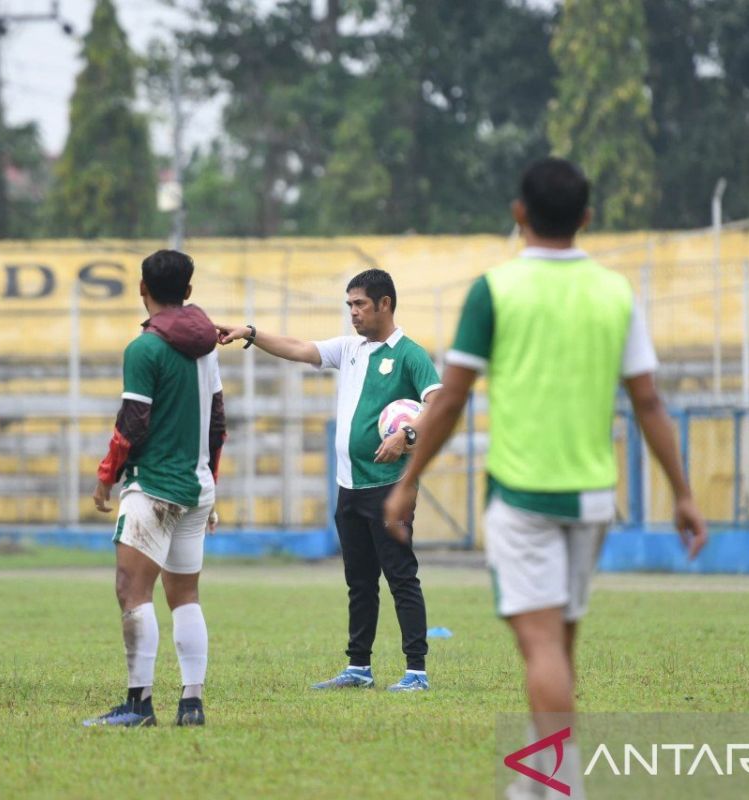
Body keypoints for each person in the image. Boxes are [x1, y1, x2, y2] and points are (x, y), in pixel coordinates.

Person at [383, 158, 708, 797]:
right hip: (592, 500)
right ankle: (539, 782)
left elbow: (448, 400)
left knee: (543, 650)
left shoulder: (495, 291)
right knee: (559, 643)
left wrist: (409, 476)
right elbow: (648, 402)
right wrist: (685, 493)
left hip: (523, 496)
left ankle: (559, 784)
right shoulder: (615, 293)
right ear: (587, 218)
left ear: (519, 214)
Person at [217, 269, 441, 692]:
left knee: (400, 576)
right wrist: (250, 332)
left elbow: (437, 402)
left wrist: (406, 433)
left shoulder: (410, 354)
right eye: (349, 305)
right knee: (359, 580)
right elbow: (299, 348)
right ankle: (359, 667)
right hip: (349, 486)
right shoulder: (350, 349)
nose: (353, 313)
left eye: (360, 304)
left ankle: (416, 671)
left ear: (385, 304)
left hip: (389, 487)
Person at [83, 250, 226, 728]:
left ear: (141, 288)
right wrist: (210, 482)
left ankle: (139, 704)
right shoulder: (207, 345)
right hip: (196, 487)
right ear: (188, 292)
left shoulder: (143, 349)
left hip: (154, 488)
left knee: (132, 590)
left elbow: (132, 423)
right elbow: (218, 424)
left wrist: (107, 476)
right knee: (184, 595)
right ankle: (191, 703)